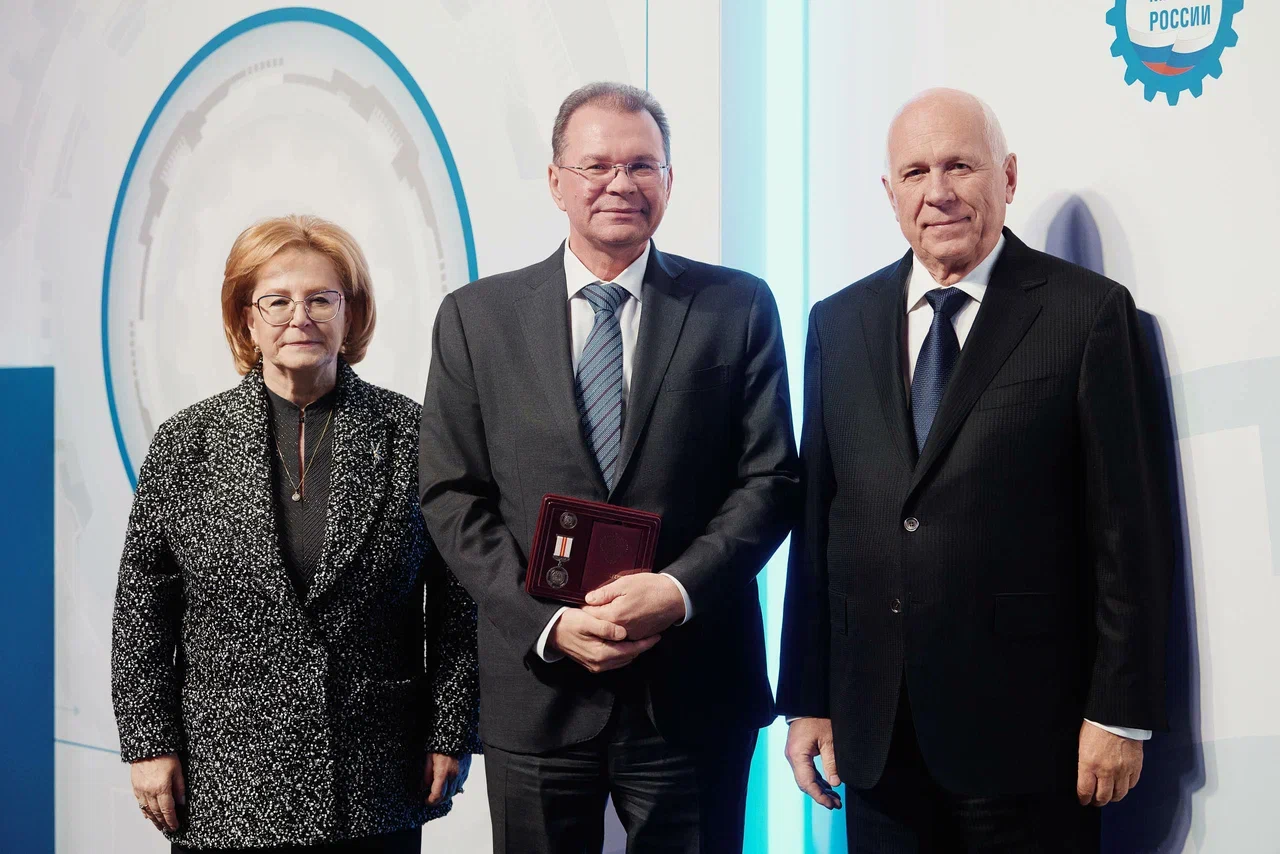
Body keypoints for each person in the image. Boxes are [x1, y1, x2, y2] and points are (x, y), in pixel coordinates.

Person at [778, 89, 1173, 852]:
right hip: (877, 736)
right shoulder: (838, 322)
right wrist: (808, 697)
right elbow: (821, 524)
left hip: (1031, 738)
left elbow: (1129, 533)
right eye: (915, 172)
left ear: (1008, 176)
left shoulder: (1086, 313)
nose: (939, 192)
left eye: (960, 165)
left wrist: (1120, 712)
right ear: (889, 193)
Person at [419, 81, 799, 853]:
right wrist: (549, 622)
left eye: (642, 165)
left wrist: (678, 591)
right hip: (539, 687)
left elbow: (770, 480)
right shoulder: (476, 318)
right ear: (556, 180)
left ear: (669, 180)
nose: (620, 184)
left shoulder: (737, 307)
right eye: (596, 166)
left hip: (692, 684)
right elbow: (453, 495)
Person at [111, 215, 480, 853]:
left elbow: (457, 602)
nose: (298, 318)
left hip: (373, 773)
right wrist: (148, 743)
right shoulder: (186, 443)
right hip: (224, 777)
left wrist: (451, 729)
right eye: (276, 301)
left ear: (351, 312)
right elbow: (143, 608)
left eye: (320, 299)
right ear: (246, 319)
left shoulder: (415, 435)